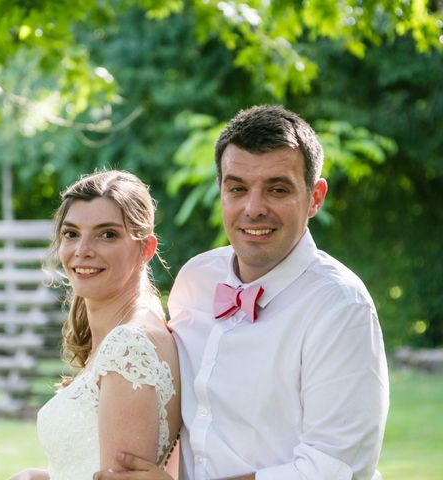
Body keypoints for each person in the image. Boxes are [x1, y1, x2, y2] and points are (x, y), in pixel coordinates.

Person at [95, 105, 390, 480]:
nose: (254, 208)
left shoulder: (340, 308)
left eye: (277, 189)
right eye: (238, 188)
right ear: (221, 190)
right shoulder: (196, 279)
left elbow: (333, 469)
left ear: (315, 197)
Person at [8, 170, 181, 480]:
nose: (82, 250)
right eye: (71, 233)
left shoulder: (130, 345)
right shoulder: (127, 330)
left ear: (146, 248)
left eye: (107, 234)